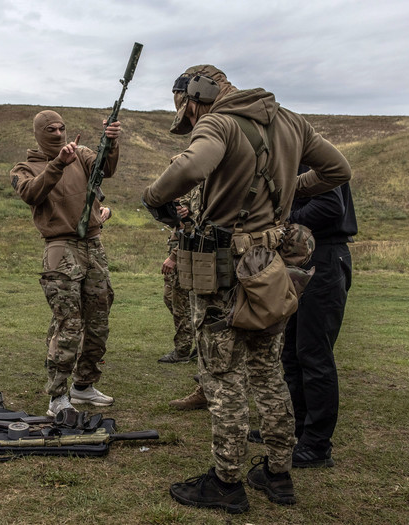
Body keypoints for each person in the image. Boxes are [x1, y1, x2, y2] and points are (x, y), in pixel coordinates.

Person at [142, 65, 351, 513]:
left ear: (198, 94)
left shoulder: (218, 121)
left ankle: (226, 481)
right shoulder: (292, 121)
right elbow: (338, 169)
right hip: (269, 264)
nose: (191, 118)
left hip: (221, 268)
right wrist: (292, 189)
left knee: (222, 376)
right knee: (268, 372)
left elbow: (193, 164)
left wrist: (153, 197)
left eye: (188, 111)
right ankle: (278, 473)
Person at [10, 110, 122, 417]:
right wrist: (58, 163)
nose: (58, 133)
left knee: (99, 320)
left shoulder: (82, 154)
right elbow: (32, 193)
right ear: (39, 132)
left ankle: (83, 386)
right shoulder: (24, 167)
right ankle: (57, 395)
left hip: (93, 245)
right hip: (61, 249)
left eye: (61, 128)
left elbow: (105, 169)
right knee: (68, 322)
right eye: (51, 129)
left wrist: (110, 142)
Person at [278, 180, 356, 468]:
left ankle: (317, 444)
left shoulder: (312, 156)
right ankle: (296, 430)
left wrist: (287, 221)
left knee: (314, 353)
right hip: (301, 258)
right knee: (292, 352)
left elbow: (330, 205)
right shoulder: (294, 153)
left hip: (323, 258)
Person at [158, 187, 199, 364]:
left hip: (184, 254)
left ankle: (182, 350)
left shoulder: (199, 190)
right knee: (171, 299)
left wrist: (175, 255)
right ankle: (198, 342)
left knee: (180, 303)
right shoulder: (185, 192)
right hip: (178, 247)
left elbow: (194, 227)